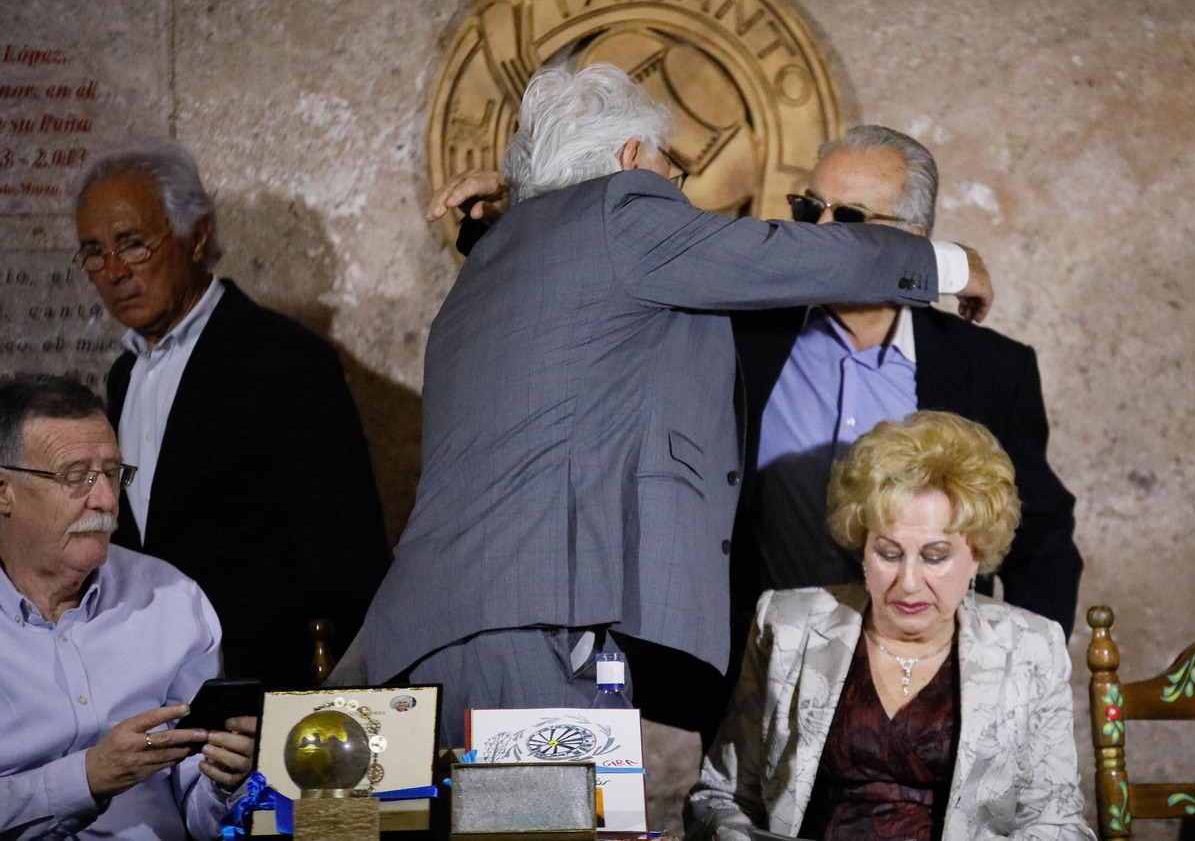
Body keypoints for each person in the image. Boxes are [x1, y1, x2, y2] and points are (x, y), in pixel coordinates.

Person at [339, 63, 994, 746]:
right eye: (667, 164)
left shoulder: (494, 258)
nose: (676, 186)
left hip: (419, 630)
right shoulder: (625, 213)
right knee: (542, 829)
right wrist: (950, 264)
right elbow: (775, 255)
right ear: (628, 159)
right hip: (535, 621)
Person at [731, 125, 1082, 641]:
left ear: (913, 241)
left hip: (930, 689)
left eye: (849, 217)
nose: (819, 232)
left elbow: (1041, 541)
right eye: (809, 210)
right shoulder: (740, 340)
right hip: (758, 678)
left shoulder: (991, 370)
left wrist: (1022, 674)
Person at [684, 411, 1094, 841]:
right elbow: (719, 797)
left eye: (935, 556)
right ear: (862, 545)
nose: (909, 583)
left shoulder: (1030, 648)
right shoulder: (787, 628)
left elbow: (1060, 826)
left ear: (977, 554)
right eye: (888, 553)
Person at [73, 142, 390, 686]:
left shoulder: (285, 360)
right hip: (148, 686)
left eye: (132, 244)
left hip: (262, 684)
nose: (114, 271)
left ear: (196, 237)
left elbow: (343, 554)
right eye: (94, 252)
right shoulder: (123, 376)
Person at [0, 374, 257, 841]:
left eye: (114, 475)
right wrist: (86, 779)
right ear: (3, 491)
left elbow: (202, 818)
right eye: (75, 477)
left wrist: (225, 783)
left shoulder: (172, 600)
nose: (105, 501)